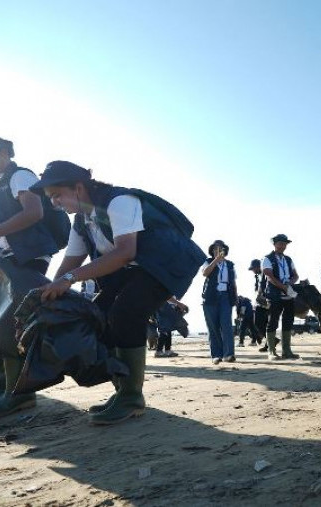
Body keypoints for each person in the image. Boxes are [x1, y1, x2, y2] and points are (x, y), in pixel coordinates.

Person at [32, 160, 205, 425]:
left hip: (166, 262)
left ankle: (132, 397)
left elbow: (126, 252)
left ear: (78, 188)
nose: (54, 203)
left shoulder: (119, 201)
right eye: (50, 198)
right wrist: (49, 292)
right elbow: (71, 262)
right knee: (98, 315)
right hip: (133, 268)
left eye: (57, 195)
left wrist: (67, 280)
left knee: (126, 313)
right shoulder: (81, 221)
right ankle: (123, 392)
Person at [0, 134, 66, 420]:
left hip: (26, 257)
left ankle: (18, 394)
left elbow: (33, 212)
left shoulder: (20, 176)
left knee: (10, 323)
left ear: (3, 152)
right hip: (3, 259)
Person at [262, 234, 299, 360]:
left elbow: (295, 275)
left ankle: (287, 351)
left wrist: (290, 283)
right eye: (280, 243)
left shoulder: (288, 259)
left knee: (288, 321)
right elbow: (270, 277)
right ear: (274, 244)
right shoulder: (267, 258)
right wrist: (283, 287)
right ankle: (271, 351)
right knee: (273, 321)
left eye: (284, 243)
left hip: (288, 294)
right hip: (274, 294)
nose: (282, 246)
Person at [202, 240, 237, 364]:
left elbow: (233, 283)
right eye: (215, 249)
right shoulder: (207, 261)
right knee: (213, 327)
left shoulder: (230, 265)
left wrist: (235, 299)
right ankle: (216, 355)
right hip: (210, 297)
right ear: (212, 251)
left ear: (225, 250)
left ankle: (229, 354)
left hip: (225, 297)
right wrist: (216, 260)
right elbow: (205, 273)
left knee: (226, 325)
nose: (218, 250)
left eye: (220, 248)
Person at [248, 259, 269, 350]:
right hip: (260, 303)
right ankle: (270, 342)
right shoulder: (258, 276)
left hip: (267, 301)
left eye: (253, 268)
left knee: (264, 324)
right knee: (260, 324)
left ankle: (269, 343)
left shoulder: (265, 274)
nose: (252, 270)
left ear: (258, 267)